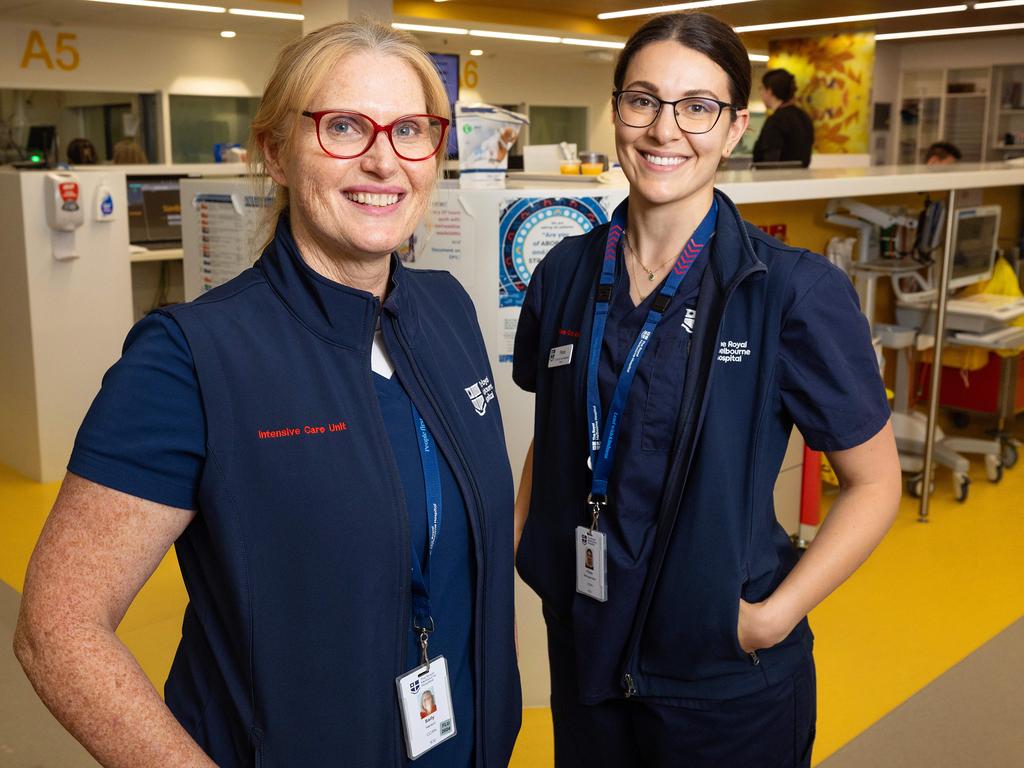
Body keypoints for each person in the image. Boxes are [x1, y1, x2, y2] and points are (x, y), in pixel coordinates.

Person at [13, 20, 521, 768]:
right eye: (344, 126)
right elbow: (56, 628)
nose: (383, 161)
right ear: (276, 152)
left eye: (410, 129)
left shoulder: (447, 310)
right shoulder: (191, 357)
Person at [513, 12, 900, 768]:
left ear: (733, 129)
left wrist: (771, 616)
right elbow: (555, 434)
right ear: (618, 110)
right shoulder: (563, 273)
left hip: (722, 683)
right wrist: (527, 551)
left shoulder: (789, 290)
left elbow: (875, 481)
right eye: (643, 100)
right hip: (586, 652)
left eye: (698, 107)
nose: (665, 130)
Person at [753, 67, 814, 167]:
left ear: (769, 91)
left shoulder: (776, 120)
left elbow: (769, 164)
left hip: (776, 181)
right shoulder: (804, 117)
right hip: (801, 180)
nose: (761, 93)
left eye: (761, 88)